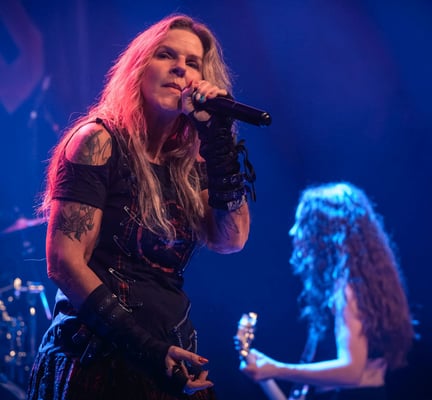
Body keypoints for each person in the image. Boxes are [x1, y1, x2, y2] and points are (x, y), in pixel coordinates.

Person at [27, 13, 255, 400]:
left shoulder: (192, 164)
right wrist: (147, 349)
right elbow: (64, 261)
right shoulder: (97, 141)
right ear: (138, 69)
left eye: (193, 63)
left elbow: (230, 239)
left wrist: (217, 140)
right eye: (166, 55)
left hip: (170, 357)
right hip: (98, 359)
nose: (180, 68)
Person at [240, 182, 414, 400]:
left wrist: (276, 369)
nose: (293, 231)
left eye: (303, 223)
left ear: (325, 231)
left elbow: (351, 371)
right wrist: (266, 373)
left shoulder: (348, 289)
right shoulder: (363, 286)